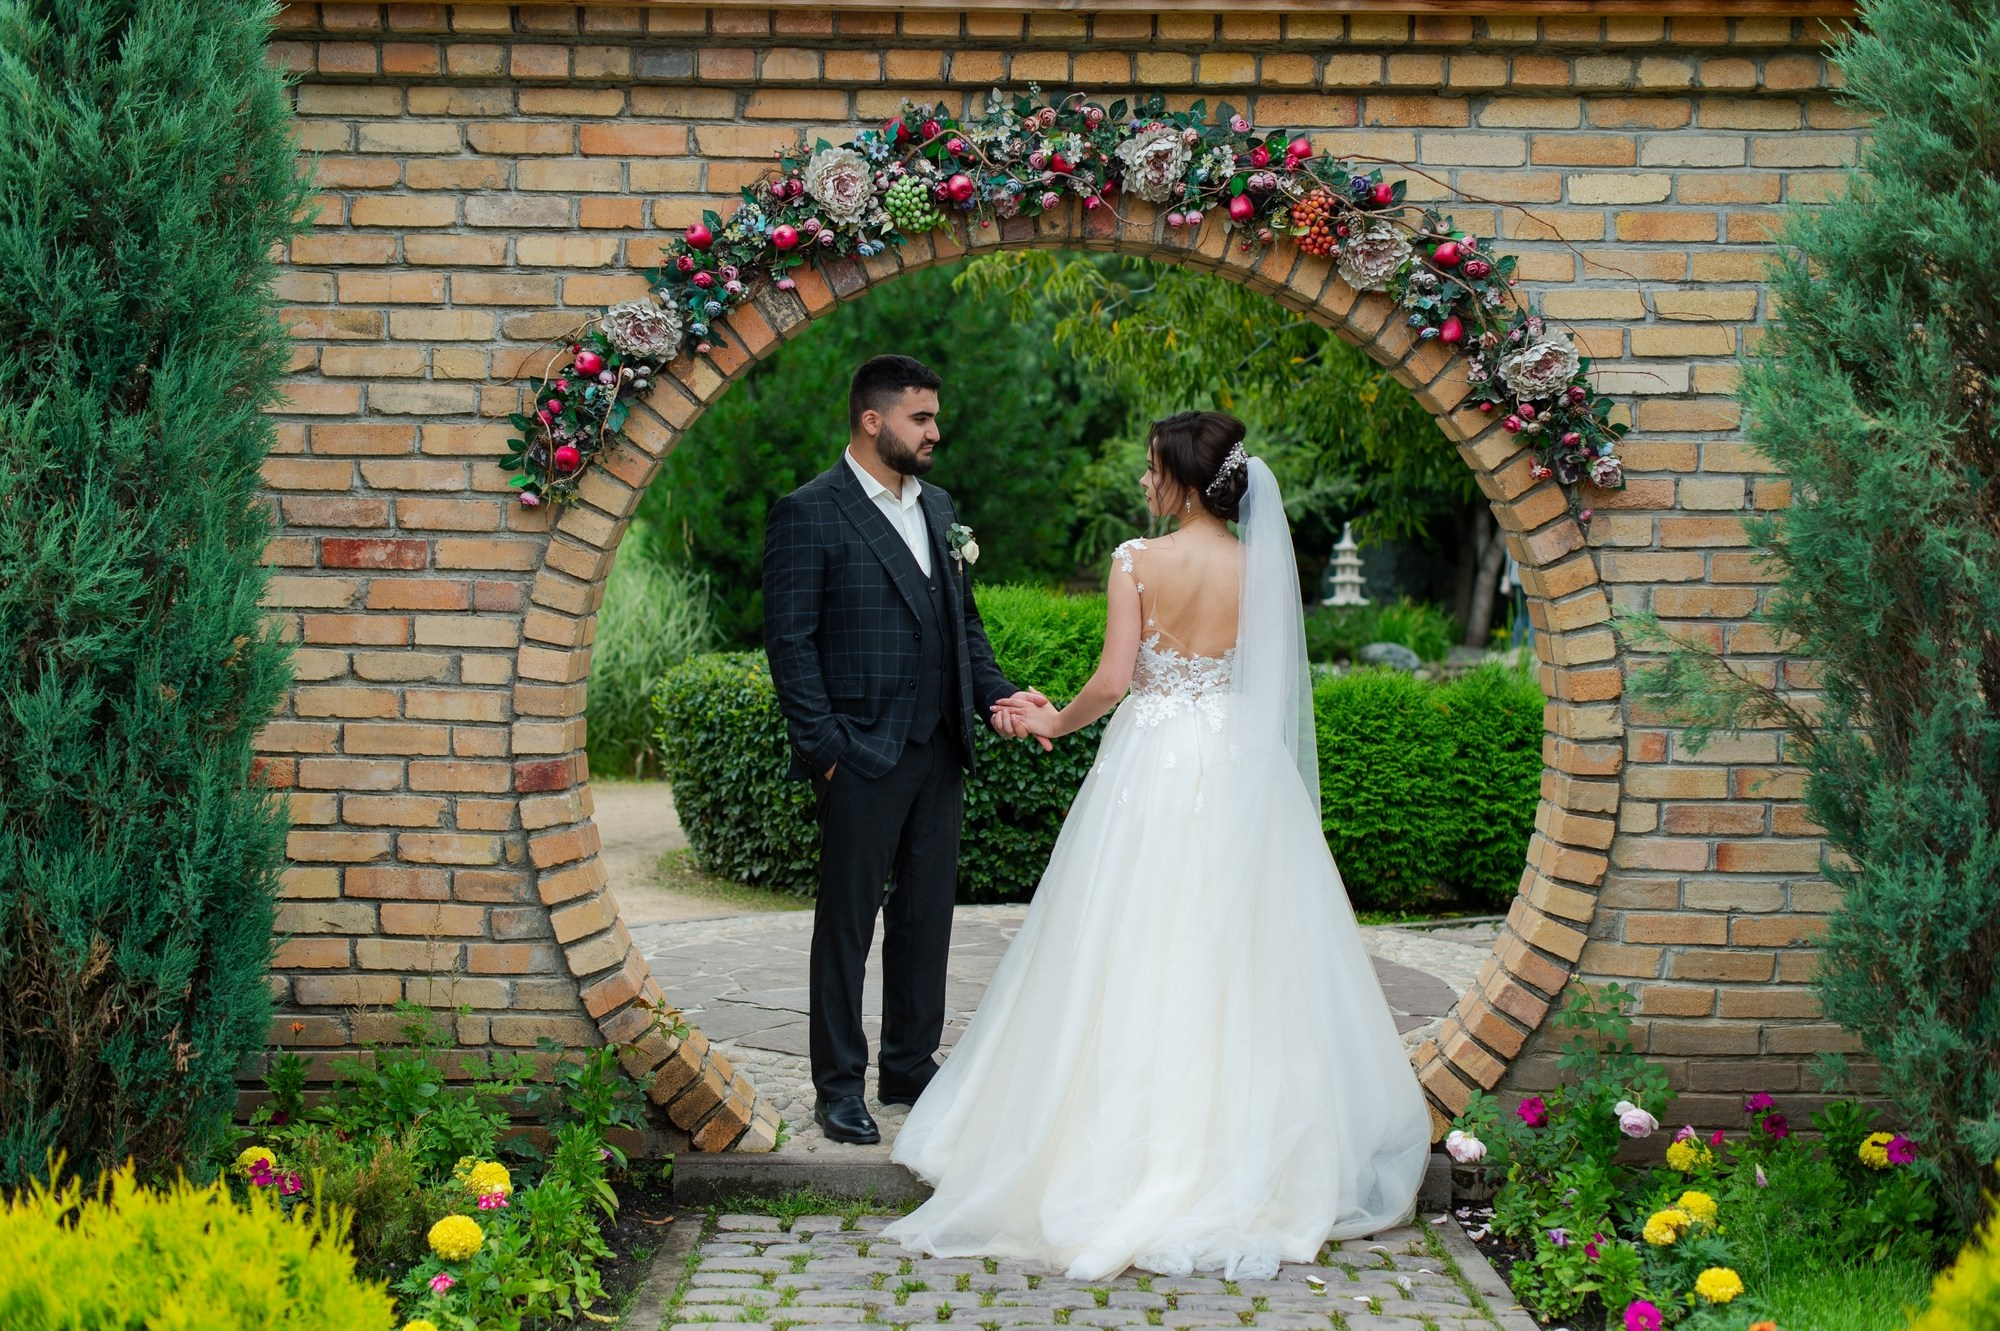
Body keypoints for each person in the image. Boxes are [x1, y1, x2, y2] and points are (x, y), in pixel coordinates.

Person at [882, 411, 1432, 1279]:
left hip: (1155, 764)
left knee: (1132, 939)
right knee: (1243, 949)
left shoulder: (1138, 560)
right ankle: (1244, 1148)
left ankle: (1118, 1149)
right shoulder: (1261, 569)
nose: (1143, 482)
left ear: (1178, 476)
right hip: (1244, 765)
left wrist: (1049, 721)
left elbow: (1111, 680)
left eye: (1150, 469)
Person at [761, 354, 1049, 1148]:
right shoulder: (810, 511)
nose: (934, 431)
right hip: (858, 751)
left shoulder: (939, 507)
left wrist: (996, 696)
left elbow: (965, 624)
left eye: (933, 416)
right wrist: (826, 750)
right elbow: (790, 644)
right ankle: (838, 1084)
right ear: (872, 420)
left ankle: (909, 1064)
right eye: (920, 418)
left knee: (926, 916)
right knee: (847, 924)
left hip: (939, 744)